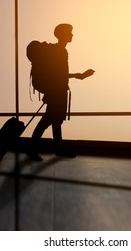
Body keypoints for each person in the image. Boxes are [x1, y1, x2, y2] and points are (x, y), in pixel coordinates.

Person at [27, 23, 94, 162]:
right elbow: (58, 74)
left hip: (56, 90)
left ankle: (57, 148)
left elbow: (60, 74)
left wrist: (77, 75)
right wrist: (78, 76)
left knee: (56, 121)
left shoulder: (59, 50)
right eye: (69, 32)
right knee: (47, 121)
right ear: (62, 34)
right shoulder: (60, 51)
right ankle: (33, 149)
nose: (72, 35)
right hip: (56, 91)